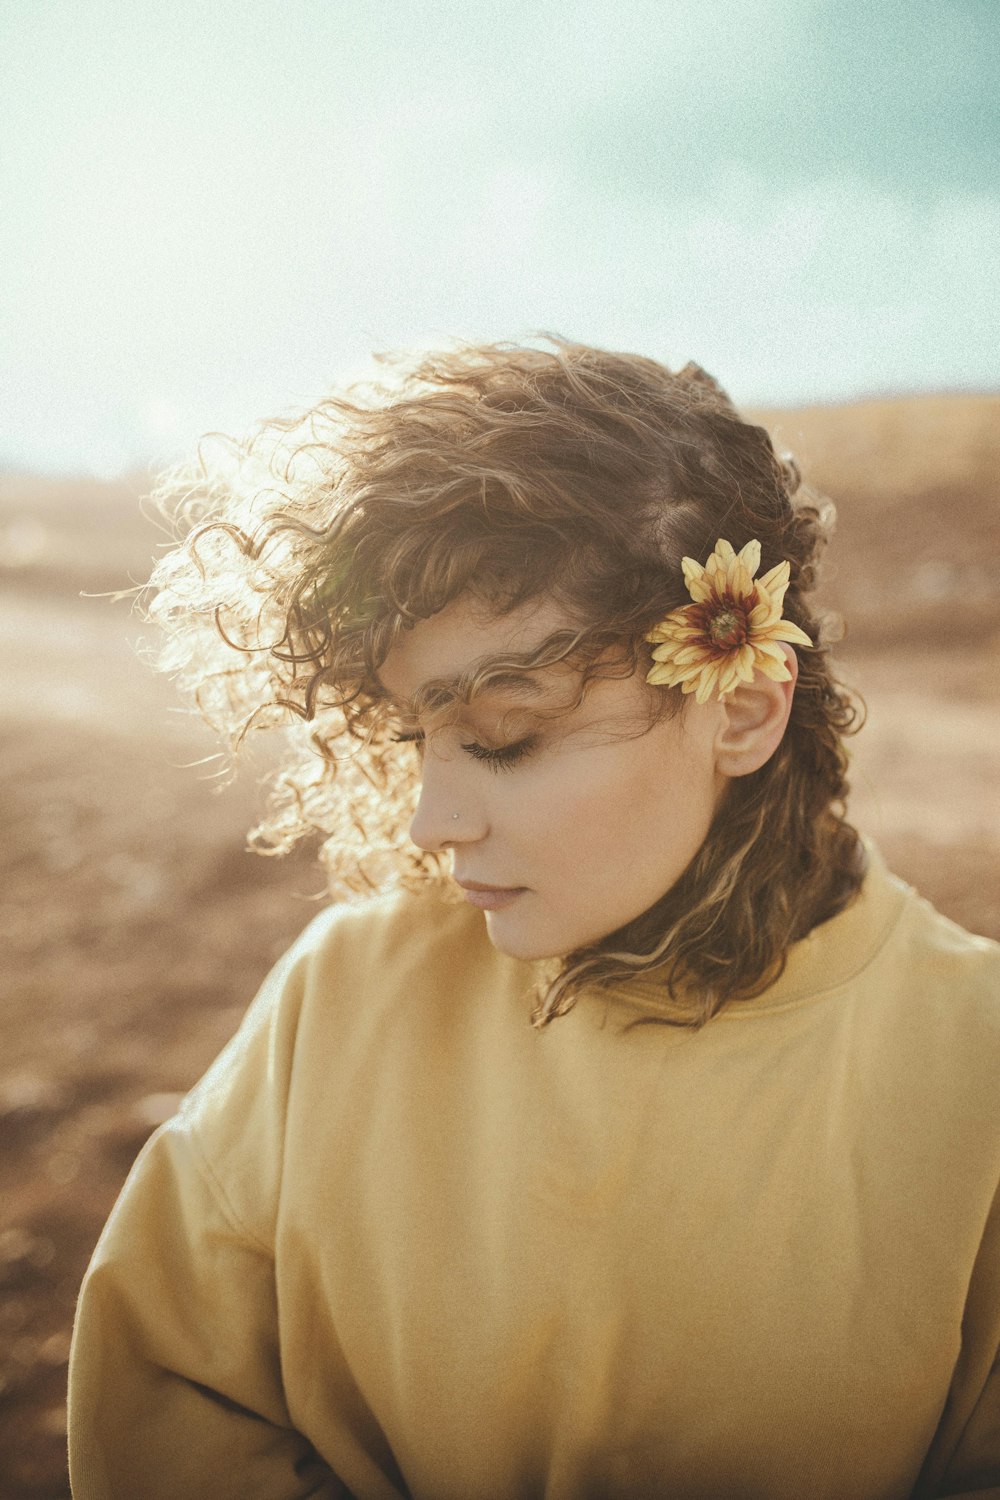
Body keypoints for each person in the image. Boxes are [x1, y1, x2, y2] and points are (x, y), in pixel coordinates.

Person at [67, 340, 1000, 1500]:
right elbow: (166, 1397)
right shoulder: (347, 993)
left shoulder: (975, 1061)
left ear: (744, 708)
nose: (429, 820)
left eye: (504, 740)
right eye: (418, 736)